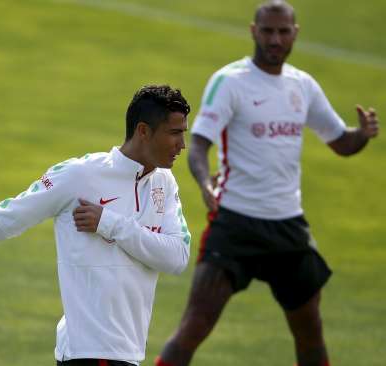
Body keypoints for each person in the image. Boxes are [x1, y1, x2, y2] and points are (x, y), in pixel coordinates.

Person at [0, 84, 192, 366]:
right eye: (175, 133)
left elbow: (177, 258)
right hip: (90, 351)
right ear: (143, 131)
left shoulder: (164, 184)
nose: (183, 144)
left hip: (126, 353)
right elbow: (5, 218)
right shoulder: (79, 176)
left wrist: (109, 223)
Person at [155, 1, 380, 366]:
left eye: (283, 31)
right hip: (236, 223)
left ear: (295, 32)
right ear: (253, 31)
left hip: (288, 226)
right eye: (268, 31)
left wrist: (363, 135)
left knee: (311, 333)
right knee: (194, 325)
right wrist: (204, 183)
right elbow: (199, 144)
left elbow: (341, 142)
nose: (275, 39)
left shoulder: (303, 86)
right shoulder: (230, 82)